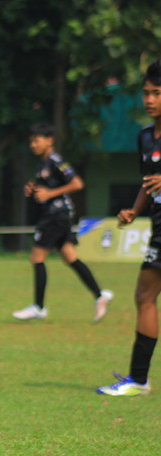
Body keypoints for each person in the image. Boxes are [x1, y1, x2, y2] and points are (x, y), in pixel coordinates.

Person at [97, 60, 161, 397]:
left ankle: (138, 380)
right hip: (159, 227)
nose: (149, 99)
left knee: (145, 296)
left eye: (157, 93)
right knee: (144, 296)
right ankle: (139, 379)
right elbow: (148, 182)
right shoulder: (145, 137)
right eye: (146, 93)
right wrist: (134, 211)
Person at [12, 123, 112, 322]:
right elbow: (45, 189)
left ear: (49, 140)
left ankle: (39, 307)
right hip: (57, 215)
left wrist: (50, 193)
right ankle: (100, 295)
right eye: (31, 141)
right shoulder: (42, 164)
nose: (33, 145)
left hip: (56, 216)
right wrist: (34, 190)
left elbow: (77, 183)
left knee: (37, 257)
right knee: (69, 257)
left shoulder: (55, 161)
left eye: (36, 141)